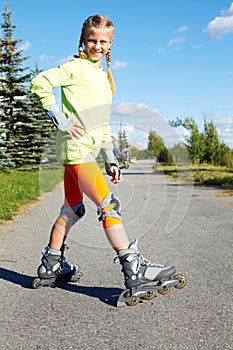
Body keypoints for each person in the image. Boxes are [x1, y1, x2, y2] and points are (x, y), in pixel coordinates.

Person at [31, 15, 175, 289]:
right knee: (110, 205)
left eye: (103, 41)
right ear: (83, 41)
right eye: (92, 40)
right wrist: (59, 117)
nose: (97, 46)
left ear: (111, 44)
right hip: (77, 150)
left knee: (72, 209)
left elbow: (102, 124)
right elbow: (39, 82)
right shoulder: (75, 67)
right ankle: (133, 268)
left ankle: (51, 264)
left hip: (85, 151)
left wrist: (109, 157)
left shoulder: (103, 78)